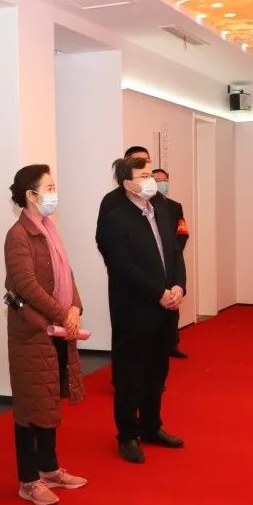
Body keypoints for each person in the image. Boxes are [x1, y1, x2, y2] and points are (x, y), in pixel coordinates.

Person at [3, 164, 88, 505]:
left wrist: (75, 307)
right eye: (49, 188)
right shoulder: (18, 235)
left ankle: (50, 469)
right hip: (32, 332)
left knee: (49, 400)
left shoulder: (50, 229)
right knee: (29, 407)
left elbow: (67, 274)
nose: (54, 193)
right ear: (31, 195)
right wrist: (61, 313)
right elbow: (27, 286)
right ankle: (28, 480)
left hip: (57, 328)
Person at [96, 156, 187, 463]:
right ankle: (127, 435)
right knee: (130, 376)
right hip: (134, 310)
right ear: (128, 184)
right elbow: (122, 266)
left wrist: (178, 286)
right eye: (144, 176)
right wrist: (158, 292)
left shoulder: (161, 208)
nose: (151, 181)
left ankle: (151, 426)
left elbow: (175, 253)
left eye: (151, 174)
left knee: (156, 373)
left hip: (165, 309)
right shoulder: (116, 217)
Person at [153, 167, 191, 358]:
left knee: (174, 302)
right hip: (154, 263)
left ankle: (172, 344)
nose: (162, 183)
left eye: (165, 180)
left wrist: (174, 251)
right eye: (157, 180)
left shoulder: (175, 207)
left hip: (173, 259)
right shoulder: (146, 205)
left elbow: (183, 232)